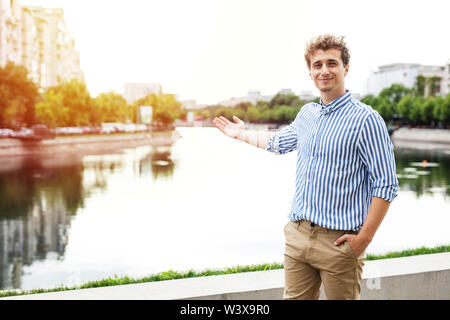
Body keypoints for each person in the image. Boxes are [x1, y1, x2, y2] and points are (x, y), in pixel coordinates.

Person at [213, 34, 399, 300]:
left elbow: (386, 184)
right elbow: (278, 143)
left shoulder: (367, 120)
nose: (324, 70)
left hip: (339, 243)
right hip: (298, 236)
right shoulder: (307, 114)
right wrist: (241, 134)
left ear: (345, 68)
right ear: (310, 72)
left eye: (332, 63)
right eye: (317, 65)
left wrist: (363, 240)